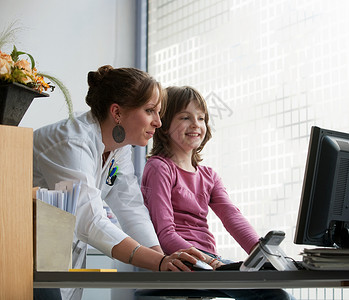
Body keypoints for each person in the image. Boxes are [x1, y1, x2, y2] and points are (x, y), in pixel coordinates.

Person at [33, 68, 205, 300]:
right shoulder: (71, 142)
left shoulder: (117, 148)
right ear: (117, 112)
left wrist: (164, 261)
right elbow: (89, 219)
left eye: (159, 112)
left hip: (56, 253)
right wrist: (160, 261)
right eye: (150, 111)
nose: (158, 122)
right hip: (23, 250)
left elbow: (131, 206)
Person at [141, 85, 295, 299]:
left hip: (207, 261)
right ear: (164, 125)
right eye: (185, 117)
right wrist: (211, 262)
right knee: (275, 296)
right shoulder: (160, 168)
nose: (196, 124)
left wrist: (261, 254)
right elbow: (165, 234)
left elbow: (232, 216)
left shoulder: (208, 175)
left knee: (269, 285)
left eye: (201, 118)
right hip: (179, 262)